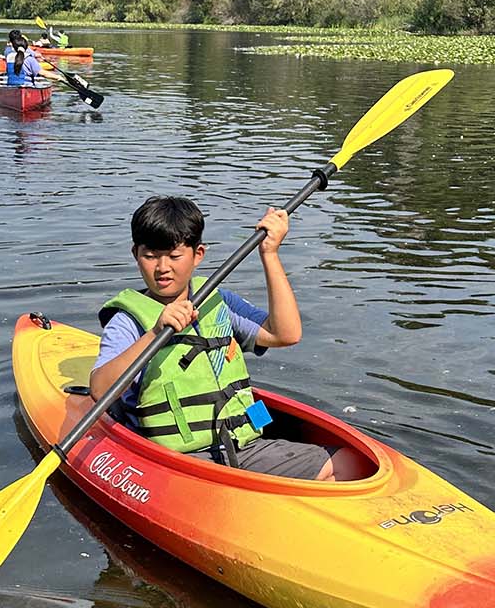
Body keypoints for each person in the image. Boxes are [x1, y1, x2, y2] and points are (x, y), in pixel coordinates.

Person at [89, 195, 361, 480]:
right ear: (136, 255)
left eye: (174, 255)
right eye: (151, 255)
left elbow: (286, 334)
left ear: (198, 255)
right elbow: (99, 390)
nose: (162, 267)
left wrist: (270, 254)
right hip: (176, 462)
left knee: (351, 463)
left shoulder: (216, 302)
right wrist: (156, 331)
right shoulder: (128, 322)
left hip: (241, 447)